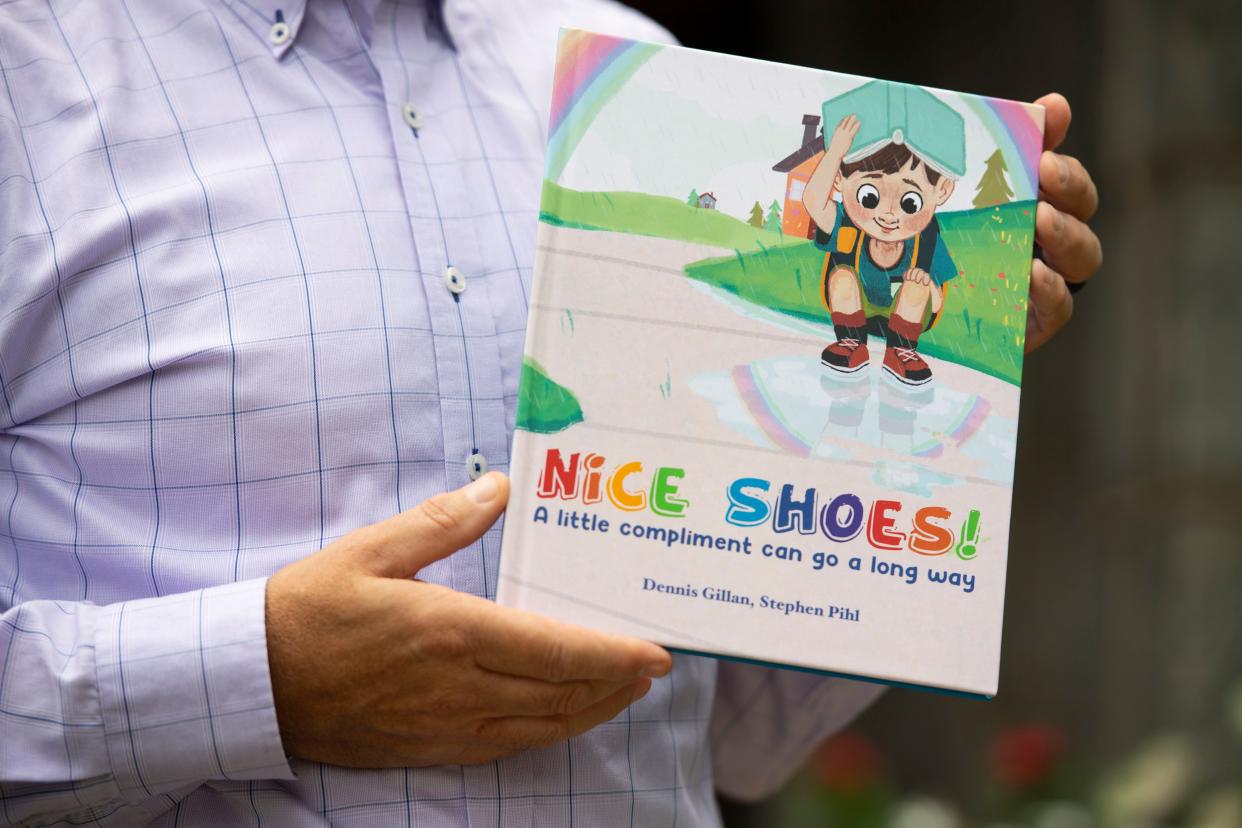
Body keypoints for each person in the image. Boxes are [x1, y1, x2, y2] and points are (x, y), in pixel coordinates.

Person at [0, 0, 1102, 825]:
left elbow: (743, 733)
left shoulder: (634, 76)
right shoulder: (27, 74)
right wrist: (258, 680)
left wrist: (942, 399)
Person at [806, 81, 967, 386]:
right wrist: (835, 152)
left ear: (942, 191)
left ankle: (901, 352)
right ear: (841, 180)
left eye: (909, 202)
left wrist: (926, 286)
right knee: (841, 277)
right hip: (855, 312)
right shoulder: (846, 224)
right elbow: (813, 201)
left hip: (906, 318)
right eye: (869, 196)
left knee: (917, 289)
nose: (889, 215)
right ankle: (851, 343)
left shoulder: (926, 237)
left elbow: (938, 297)